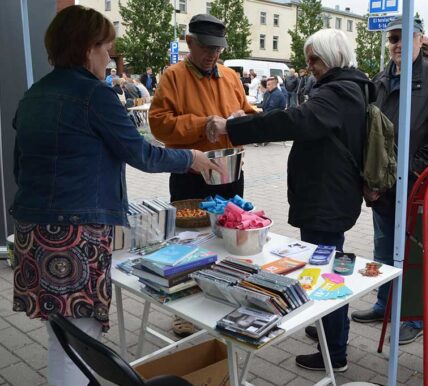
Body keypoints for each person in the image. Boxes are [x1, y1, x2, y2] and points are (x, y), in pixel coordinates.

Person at [10, 6, 217, 386]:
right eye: (107, 47)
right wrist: (192, 158)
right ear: (88, 48)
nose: (110, 57)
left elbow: (21, 169)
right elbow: (142, 153)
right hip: (74, 236)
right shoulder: (94, 96)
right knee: (81, 337)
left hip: (32, 232)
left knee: (63, 333)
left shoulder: (34, 95)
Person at [207, 28, 373, 372]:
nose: (309, 65)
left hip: (326, 199)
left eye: (314, 59)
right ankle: (328, 327)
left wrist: (233, 128)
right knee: (328, 263)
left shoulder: (336, 92)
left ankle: (335, 351)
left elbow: (291, 121)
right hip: (332, 195)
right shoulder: (350, 87)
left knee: (328, 272)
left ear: (333, 58)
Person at [349, 16, 428, 345]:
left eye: (405, 37)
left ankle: (413, 317)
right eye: (393, 38)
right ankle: (385, 305)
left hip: (415, 184)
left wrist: (412, 168)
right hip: (384, 186)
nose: (398, 44)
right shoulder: (382, 78)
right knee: (383, 247)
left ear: (420, 40)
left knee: (413, 253)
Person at [148, 14, 255, 337]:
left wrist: (240, 120)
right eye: (206, 47)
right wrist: (202, 124)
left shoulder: (230, 77)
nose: (213, 54)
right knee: (187, 243)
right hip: (190, 172)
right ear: (189, 42)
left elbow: (249, 113)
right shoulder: (173, 76)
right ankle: (183, 309)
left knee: (230, 235)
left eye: (218, 48)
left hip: (230, 170)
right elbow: (158, 123)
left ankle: (223, 299)